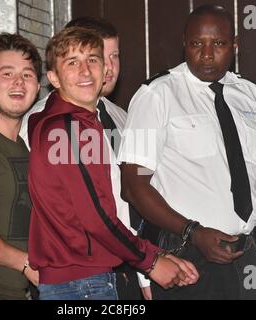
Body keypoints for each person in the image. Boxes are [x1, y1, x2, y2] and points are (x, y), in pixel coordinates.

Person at [119, 4, 256, 300]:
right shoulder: (156, 95)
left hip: (244, 255)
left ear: (235, 45)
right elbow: (134, 184)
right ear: (185, 43)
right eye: (197, 44)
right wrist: (193, 232)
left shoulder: (252, 96)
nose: (207, 54)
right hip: (185, 256)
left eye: (218, 44)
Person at [25, 26, 199, 300]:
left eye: (95, 59)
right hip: (81, 281)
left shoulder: (120, 117)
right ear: (53, 78)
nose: (86, 71)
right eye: (73, 63)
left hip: (112, 267)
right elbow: (95, 217)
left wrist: (151, 260)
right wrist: (151, 262)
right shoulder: (65, 126)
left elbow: (133, 193)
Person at [64, 16, 143, 300]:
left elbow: (134, 194)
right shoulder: (43, 122)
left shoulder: (122, 117)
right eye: (100, 57)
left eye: (115, 56)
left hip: (129, 268)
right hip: (78, 276)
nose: (109, 67)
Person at [0, 33, 41, 299]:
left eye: (28, 75)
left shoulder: (29, 149)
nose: (19, 82)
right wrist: (25, 263)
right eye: (7, 74)